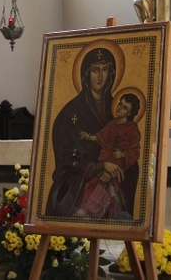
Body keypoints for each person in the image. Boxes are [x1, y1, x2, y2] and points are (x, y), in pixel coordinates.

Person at [46, 47, 121, 216]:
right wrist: (99, 167)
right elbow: (66, 159)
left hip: (111, 180)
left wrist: (115, 167)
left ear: (112, 73)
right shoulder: (69, 114)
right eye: (95, 70)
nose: (100, 77)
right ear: (86, 75)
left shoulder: (118, 110)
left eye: (105, 70)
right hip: (76, 183)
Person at [76, 91, 142, 219]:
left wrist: (123, 154)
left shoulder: (132, 128)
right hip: (106, 159)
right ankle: (87, 209)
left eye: (124, 107)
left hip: (119, 164)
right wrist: (89, 137)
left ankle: (89, 210)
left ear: (129, 113)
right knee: (94, 184)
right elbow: (102, 136)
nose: (119, 108)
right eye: (120, 104)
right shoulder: (112, 124)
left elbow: (135, 150)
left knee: (104, 185)